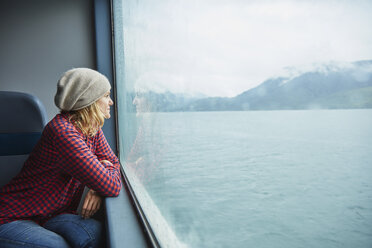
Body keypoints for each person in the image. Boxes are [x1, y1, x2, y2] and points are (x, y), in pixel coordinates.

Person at [0, 68, 122, 248]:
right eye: (106, 96)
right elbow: (111, 186)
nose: (110, 101)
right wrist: (103, 178)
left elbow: (114, 164)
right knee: (57, 246)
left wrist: (97, 188)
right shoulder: (63, 132)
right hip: (12, 216)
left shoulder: (91, 128)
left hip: (52, 214)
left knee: (95, 234)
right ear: (90, 101)